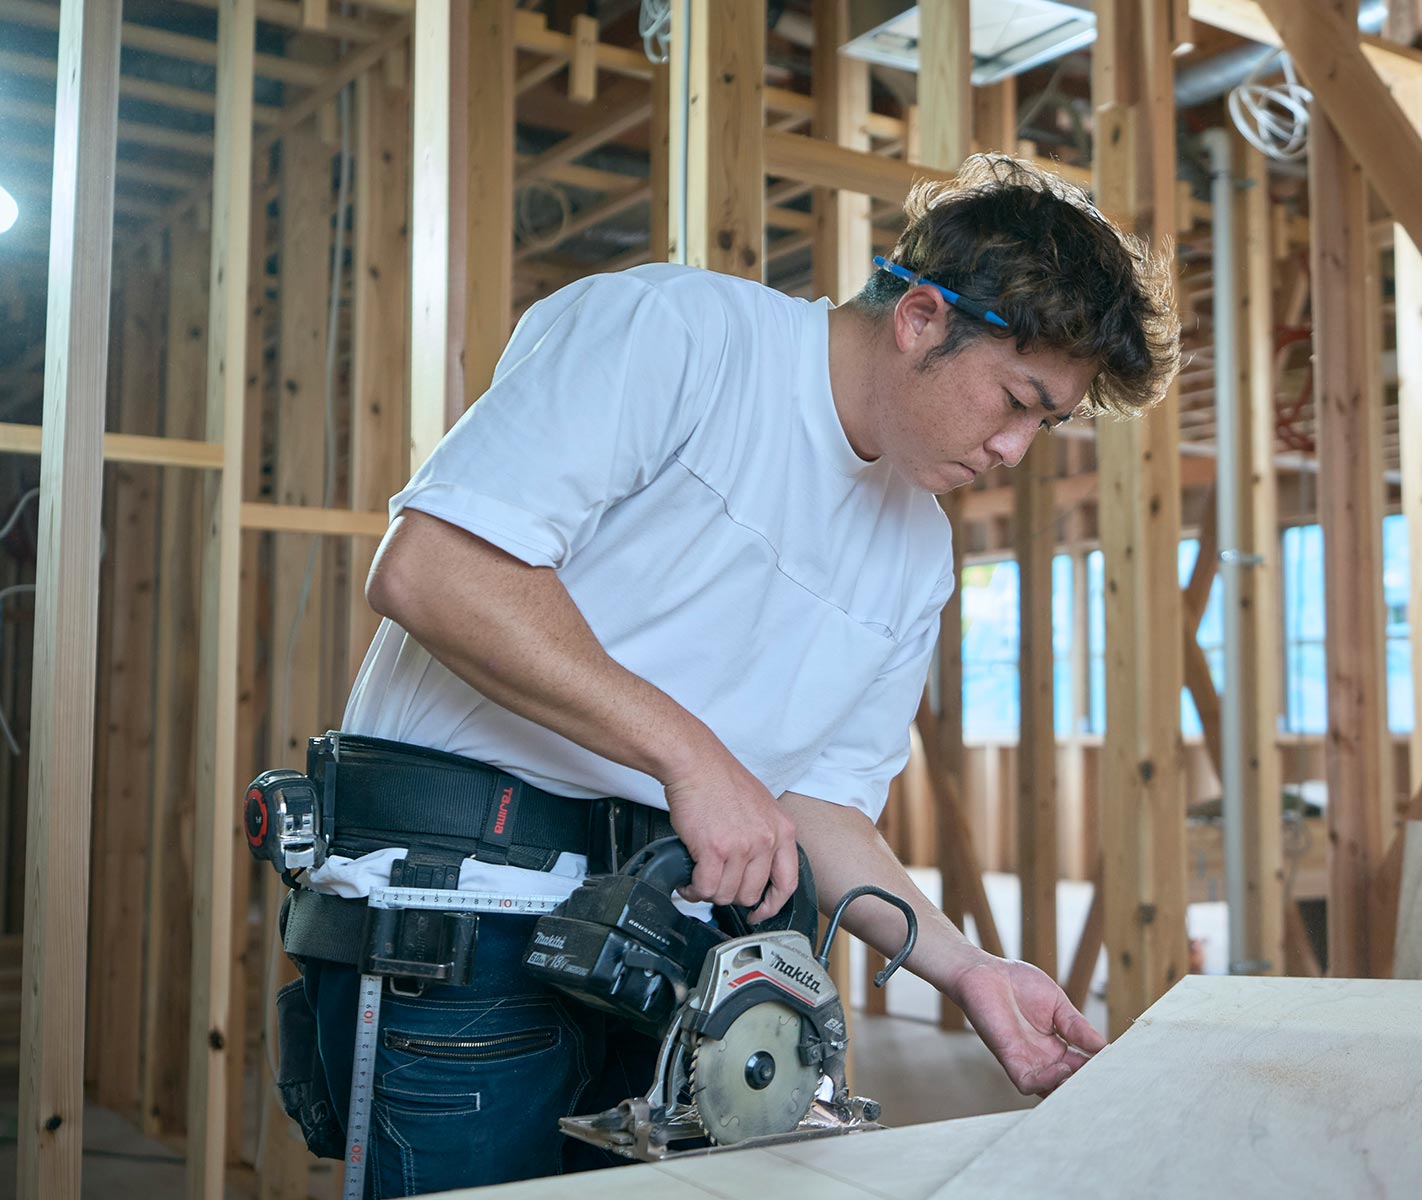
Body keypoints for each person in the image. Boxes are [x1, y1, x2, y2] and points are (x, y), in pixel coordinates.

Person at [279, 153, 1179, 1196]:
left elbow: (816, 807)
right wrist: (692, 757)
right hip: (460, 928)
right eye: (1017, 401)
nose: (1017, 450)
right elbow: (436, 571)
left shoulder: (914, 549)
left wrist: (964, 966)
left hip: (670, 960)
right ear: (922, 318)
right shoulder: (677, 336)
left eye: (1047, 423)